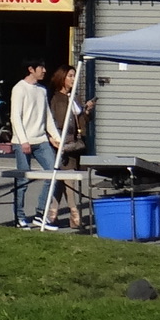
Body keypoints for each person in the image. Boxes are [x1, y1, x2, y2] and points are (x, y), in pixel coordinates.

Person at [11, 59, 58, 227]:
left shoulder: (42, 91)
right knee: (22, 180)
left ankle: (40, 213)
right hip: (23, 142)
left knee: (53, 174)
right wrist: (23, 141)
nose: (44, 70)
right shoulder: (19, 89)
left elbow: (47, 117)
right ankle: (19, 216)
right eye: (41, 67)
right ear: (31, 69)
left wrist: (56, 137)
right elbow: (15, 117)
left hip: (41, 140)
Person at [48, 65, 94, 229]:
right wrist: (53, 139)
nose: (73, 79)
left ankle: (52, 212)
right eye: (70, 76)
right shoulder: (56, 99)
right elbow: (54, 121)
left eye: (74, 76)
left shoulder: (75, 97)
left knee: (63, 180)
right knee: (68, 177)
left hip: (77, 143)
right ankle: (74, 213)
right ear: (62, 78)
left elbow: (81, 121)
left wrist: (86, 112)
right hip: (62, 142)